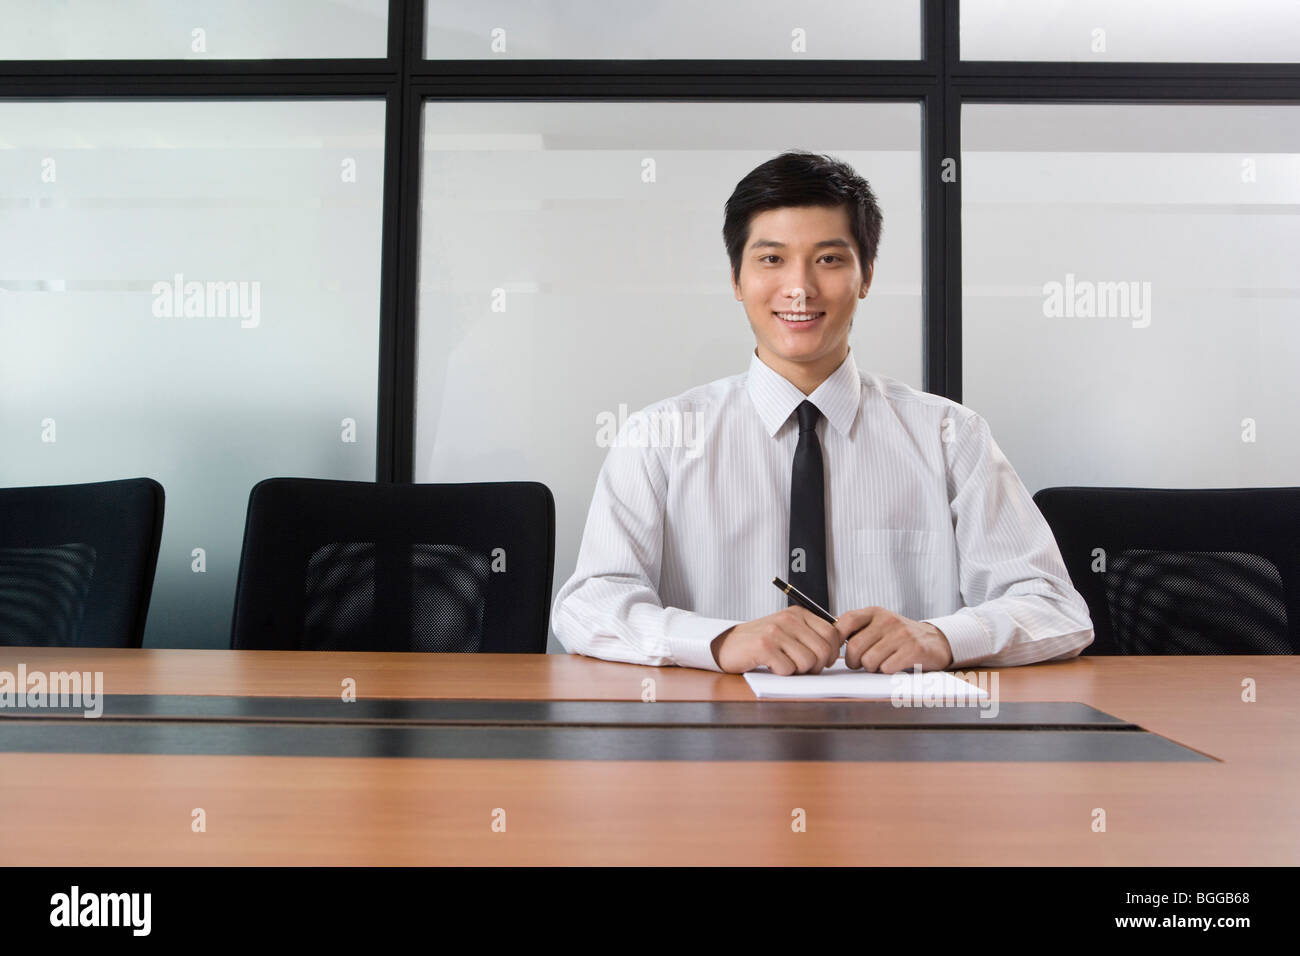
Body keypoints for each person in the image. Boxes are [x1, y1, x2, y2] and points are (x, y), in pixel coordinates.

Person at [552, 150, 1094, 675]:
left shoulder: (951, 435)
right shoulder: (659, 436)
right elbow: (587, 606)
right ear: (737, 280)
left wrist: (942, 637)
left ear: (867, 276)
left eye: (829, 259)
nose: (800, 288)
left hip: (905, 745)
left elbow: (1054, 607)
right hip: (715, 740)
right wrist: (717, 640)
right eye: (771, 259)